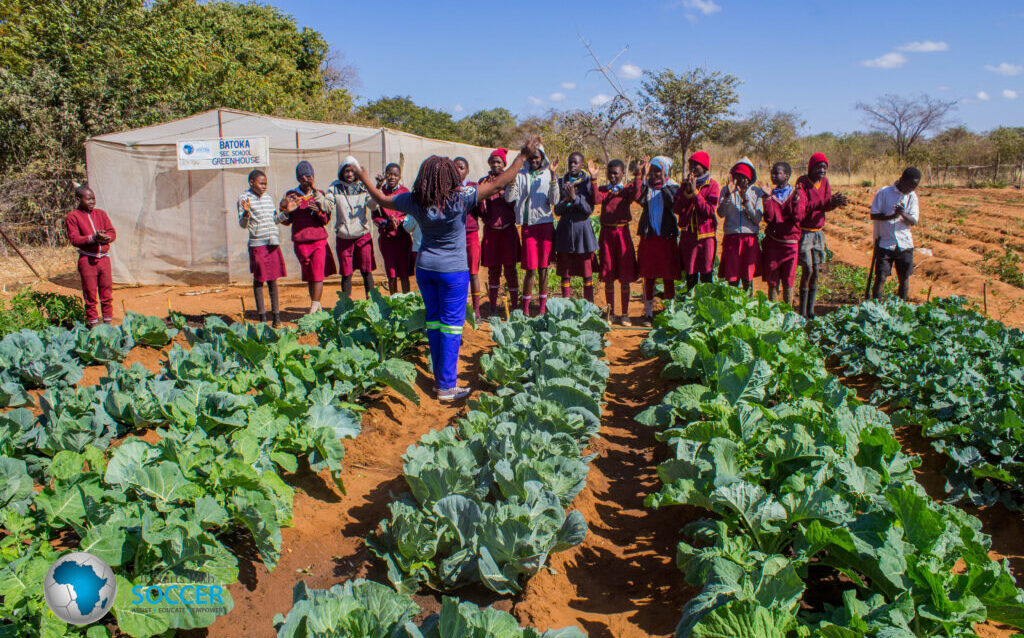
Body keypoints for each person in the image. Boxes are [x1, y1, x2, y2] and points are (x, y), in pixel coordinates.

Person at [354, 136, 541, 401]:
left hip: (425, 269)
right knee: (452, 327)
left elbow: (383, 200)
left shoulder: (413, 200)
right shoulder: (461, 198)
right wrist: (522, 155)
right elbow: (501, 181)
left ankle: (440, 376)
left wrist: (363, 176)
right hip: (453, 272)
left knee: (434, 322)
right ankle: (446, 385)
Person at [505, 144, 560, 315]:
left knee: (543, 267)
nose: (534, 160)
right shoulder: (521, 175)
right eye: (531, 157)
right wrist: (512, 180)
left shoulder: (547, 175)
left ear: (542, 157)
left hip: (545, 224)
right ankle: (526, 309)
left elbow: (555, 200)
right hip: (529, 227)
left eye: (537, 157)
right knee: (530, 269)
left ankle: (542, 308)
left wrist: (552, 176)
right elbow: (509, 198)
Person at [796, 152, 848, 318]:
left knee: (817, 270)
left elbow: (825, 205)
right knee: (808, 270)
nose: (822, 171)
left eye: (824, 168)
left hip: (818, 233)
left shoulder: (824, 182)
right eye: (819, 167)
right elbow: (805, 206)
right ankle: (802, 311)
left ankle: (810, 311)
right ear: (811, 167)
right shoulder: (802, 182)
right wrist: (828, 202)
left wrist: (835, 203)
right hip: (805, 232)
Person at [280, 161, 336, 314]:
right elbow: (286, 221)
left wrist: (318, 211)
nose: (306, 179)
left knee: (317, 273)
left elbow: (326, 220)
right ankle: (316, 305)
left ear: (313, 176)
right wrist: (285, 207)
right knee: (310, 275)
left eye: (309, 175)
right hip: (301, 242)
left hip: (318, 241)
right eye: (302, 176)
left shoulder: (319, 195)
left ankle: (314, 306)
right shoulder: (291, 195)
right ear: (298, 178)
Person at [594, 158, 642, 325]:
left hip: (622, 233)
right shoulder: (604, 190)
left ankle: (625, 313)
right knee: (608, 273)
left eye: (616, 173)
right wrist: (594, 179)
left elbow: (637, 194)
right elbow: (596, 199)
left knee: (625, 274)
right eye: (610, 173)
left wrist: (638, 175)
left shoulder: (626, 191)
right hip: (606, 234)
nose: (612, 176)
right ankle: (611, 313)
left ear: (622, 174)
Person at [636, 156, 681, 326]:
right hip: (650, 238)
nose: (655, 174)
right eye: (653, 170)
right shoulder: (647, 188)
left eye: (659, 171)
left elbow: (673, 205)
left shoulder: (672, 187)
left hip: (666, 238)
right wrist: (643, 176)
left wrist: (663, 182)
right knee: (649, 275)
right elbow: (639, 199)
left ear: (666, 172)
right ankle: (648, 313)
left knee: (668, 276)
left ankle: (669, 312)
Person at [238, 169, 286, 327]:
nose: (264, 186)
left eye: (266, 183)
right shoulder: (245, 199)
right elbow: (243, 225)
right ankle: (262, 318)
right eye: (261, 183)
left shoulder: (268, 198)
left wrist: (287, 213)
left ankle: (276, 317)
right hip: (258, 244)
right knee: (259, 280)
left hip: (272, 243)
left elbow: (274, 220)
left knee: (273, 279)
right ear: (251, 183)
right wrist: (246, 214)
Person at [327, 156, 378, 299]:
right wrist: (319, 198)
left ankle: (371, 302)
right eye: (346, 171)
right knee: (346, 273)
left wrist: (376, 189)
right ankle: (346, 305)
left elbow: (373, 205)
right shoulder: (335, 187)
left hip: (362, 235)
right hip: (344, 237)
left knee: (366, 271)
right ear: (341, 172)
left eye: (352, 171)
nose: (349, 174)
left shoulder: (364, 186)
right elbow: (327, 205)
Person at [477, 148, 520, 317]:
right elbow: (480, 207)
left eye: (499, 162)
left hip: (508, 229)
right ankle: (493, 307)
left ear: (504, 165)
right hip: (492, 231)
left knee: (510, 269)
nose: (496, 165)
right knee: (494, 270)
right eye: (493, 162)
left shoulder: (510, 180)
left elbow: (514, 203)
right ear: (489, 163)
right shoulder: (484, 182)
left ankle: (515, 305)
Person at [65, 185, 116, 326]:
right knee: (90, 294)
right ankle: (93, 324)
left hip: (104, 259)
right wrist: (93, 238)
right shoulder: (73, 217)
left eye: (93, 198)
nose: (92, 201)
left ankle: (107, 324)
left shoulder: (101, 214)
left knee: (106, 293)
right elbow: (74, 239)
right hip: (87, 260)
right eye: (88, 199)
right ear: (78, 199)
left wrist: (106, 238)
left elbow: (112, 232)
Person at [869, 167, 921, 301]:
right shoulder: (884, 192)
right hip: (885, 242)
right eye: (911, 184)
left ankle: (901, 307)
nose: (912, 188)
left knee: (904, 278)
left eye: (915, 186)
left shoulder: (912, 197)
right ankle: (876, 306)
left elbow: (913, 220)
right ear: (902, 179)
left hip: (904, 243)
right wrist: (892, 216)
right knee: (880, 277)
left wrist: (902, 213)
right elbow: (874, 215)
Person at [553, 152, 599, 303]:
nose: (572, 165)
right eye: (570, 163)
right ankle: (566, 304)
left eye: (576, 163)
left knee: (587, 271)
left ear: (581, 165)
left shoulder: (587, 183)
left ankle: (589, 305)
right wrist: (566, 201)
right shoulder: (562, 182)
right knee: (565, 272)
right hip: (565, 232)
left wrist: (575, 198)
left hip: (583, 233)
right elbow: (557, 211)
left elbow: (589, 209)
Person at [717, 158, 763, 292]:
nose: (741, 180)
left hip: (749, 239)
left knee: (747, 277)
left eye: (744, 177)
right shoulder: (726, 190)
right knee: (732, 277)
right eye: (738, 176)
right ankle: (733, 307)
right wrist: (728, 195)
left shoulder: (756, 193)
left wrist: (746, 200)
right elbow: (721, 213)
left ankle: (747, 306)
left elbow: (756, 218)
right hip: (732, 238)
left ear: (749, 178)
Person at [761, 162, 804, 306]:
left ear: (786, 175)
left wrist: (797, 200)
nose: (773, 175)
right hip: (774, 243)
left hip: (790, 245)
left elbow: (797, 217)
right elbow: (769, 218)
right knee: (772, 280)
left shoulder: (796, 193)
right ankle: (772, 311)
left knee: (789, 280)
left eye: (777, 173)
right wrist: (767, 199)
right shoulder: (770, 194)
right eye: (772, 172)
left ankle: (787, 310)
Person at [675, 150, 719, 291]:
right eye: (690, 164)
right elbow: (677, 208)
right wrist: (687, 191)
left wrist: (695, 193)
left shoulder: (712, 185)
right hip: (689, 237)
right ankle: (690, 305)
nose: (692, 167)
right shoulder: (684, 185)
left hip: (706, 237)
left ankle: (706, 305)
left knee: (706, 274)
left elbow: (709, 211)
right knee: (690, 274)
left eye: (696, 164)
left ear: (704, 167)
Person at [372, 163, 413, 294]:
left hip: (403, 238)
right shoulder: (380, 193)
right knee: (391, 273)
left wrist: (400, 221)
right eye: (389, 174)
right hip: (387, 239)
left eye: (395, 175)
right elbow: (375, 216)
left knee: (404, 273)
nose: (392, 177)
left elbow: (410, 213)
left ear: (400, 176)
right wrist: (387, 223)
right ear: (385, 175)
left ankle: (407, 302)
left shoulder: (405, 193)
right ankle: (394, 301)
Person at [454, 157, 483, 320]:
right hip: (454, 235)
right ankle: (459, 309)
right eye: (455, 167)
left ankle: (476, 311)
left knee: (473, 272)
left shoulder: (474, 187)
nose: (459, 170)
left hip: (471, 233)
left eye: (461, 167)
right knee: (458, 273)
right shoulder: (449, 188)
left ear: (467, 170)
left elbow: (481, 211)